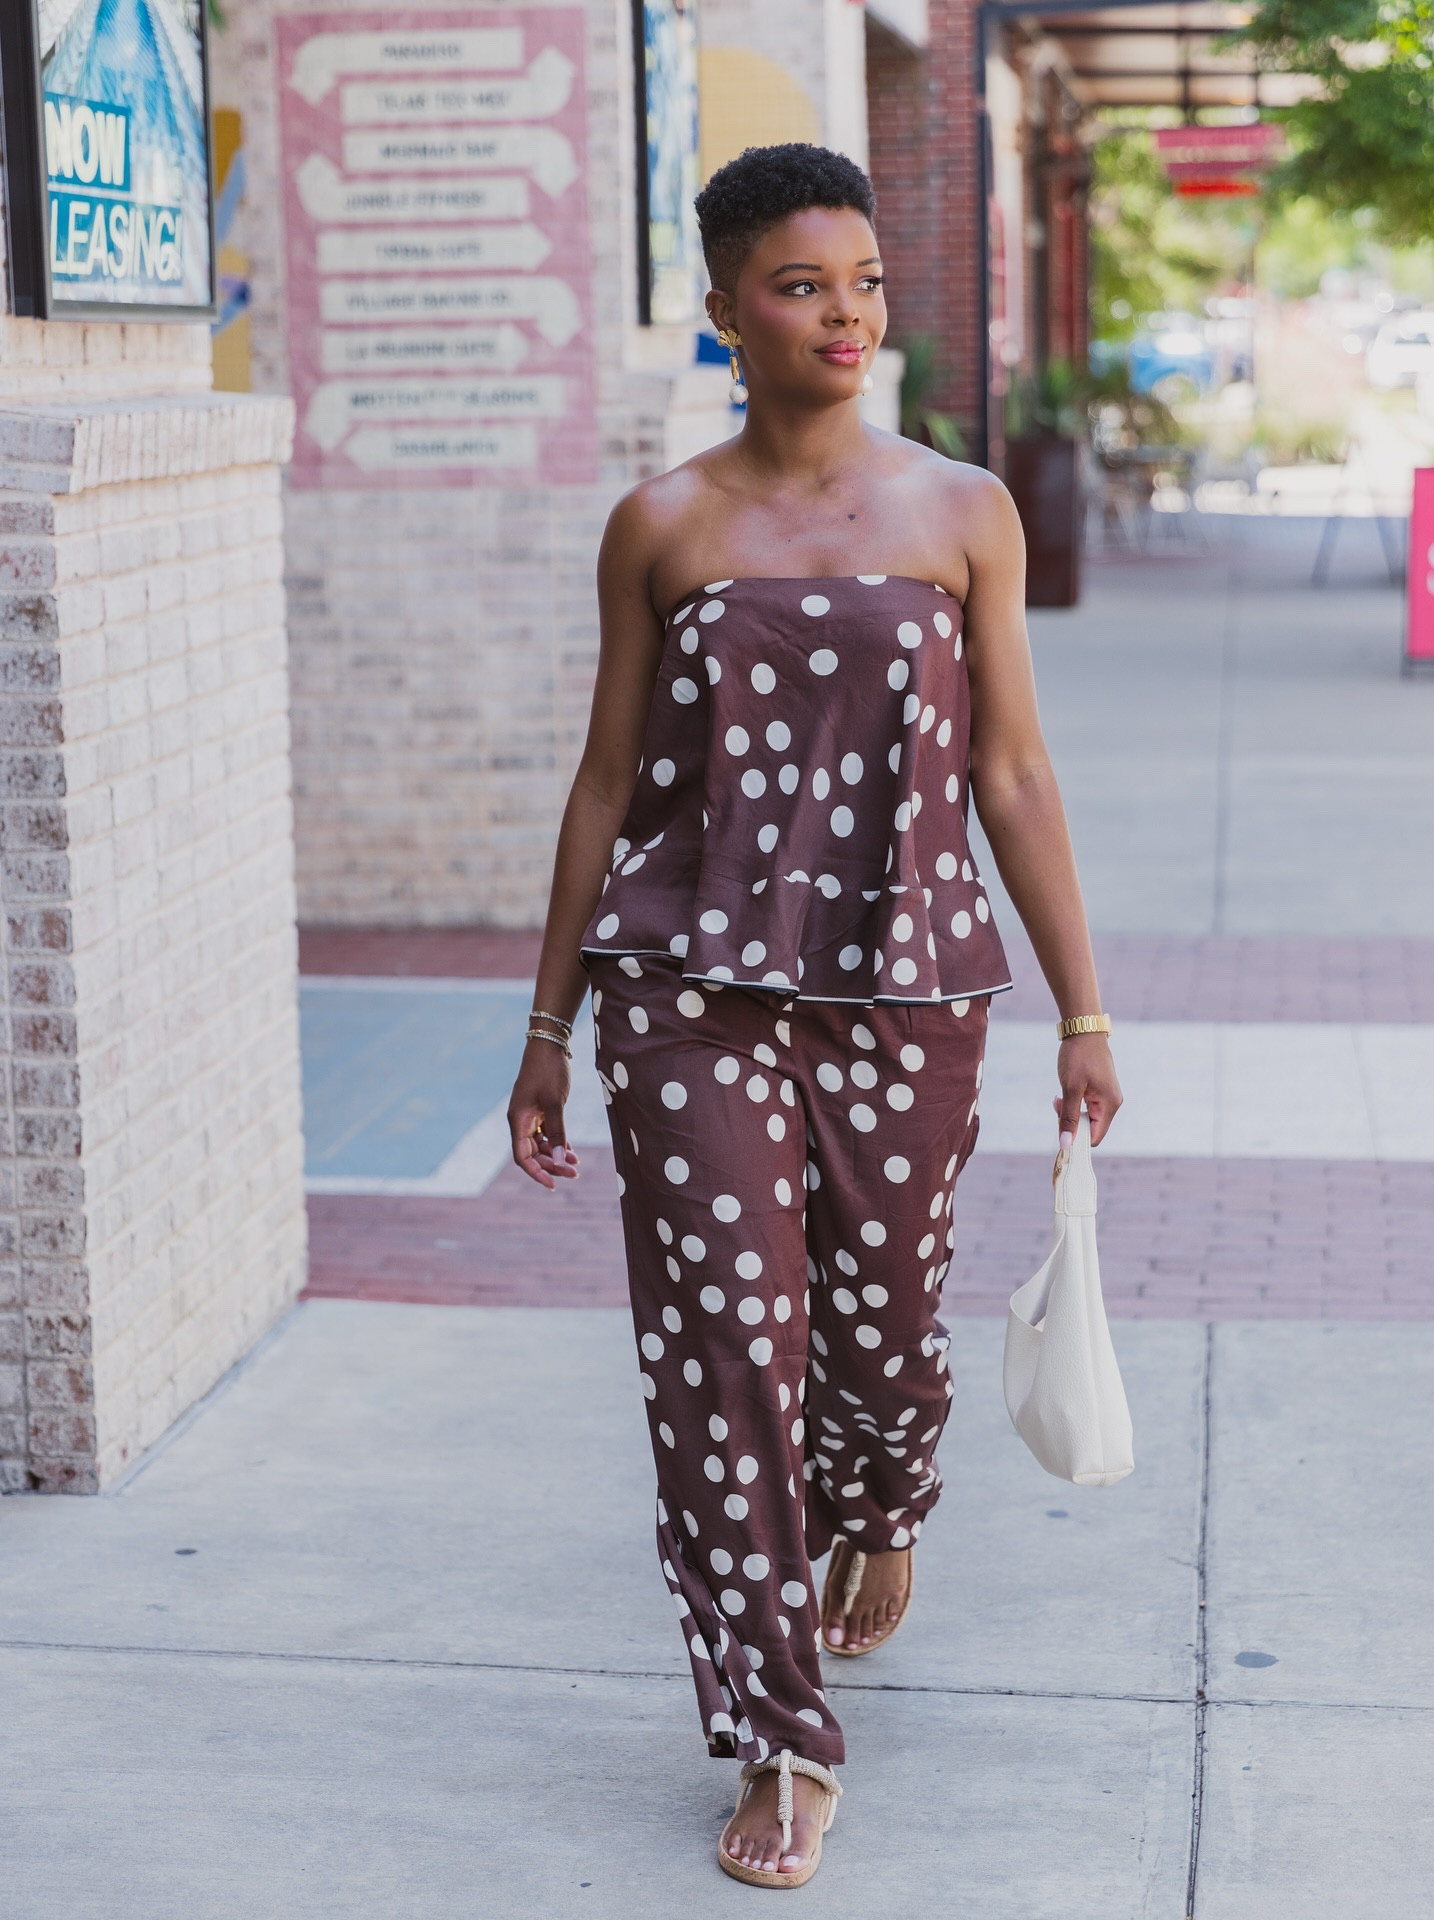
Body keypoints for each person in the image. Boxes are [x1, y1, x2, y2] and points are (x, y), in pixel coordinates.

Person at [506, 143, 1122, 1890]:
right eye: (799, 285)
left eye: (859, 282)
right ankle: (777, 1734)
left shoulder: (960, 512)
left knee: (882, 1331)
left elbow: (1010, 765)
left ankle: (879, 1505)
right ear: (721, 313)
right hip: (689, 997)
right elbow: (608, 781)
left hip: (912, 987)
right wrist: (550, 1028)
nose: (844, 313)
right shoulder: (667, 524)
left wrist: (1083, 1007)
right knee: (722, 1354)